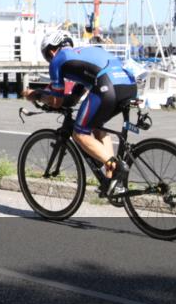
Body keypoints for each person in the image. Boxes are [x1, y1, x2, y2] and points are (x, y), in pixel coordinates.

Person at [22, 29, 138, 196]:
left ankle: (116, 167)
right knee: (97, 128)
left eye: (47, 56)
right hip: (129, 85)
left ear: (52, 50)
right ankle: (113, 180)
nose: (49, 60)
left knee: (79, 134)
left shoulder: (58, 59)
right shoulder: (84, 56)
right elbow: (74, 99)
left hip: (108, 85)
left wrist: (37, 95)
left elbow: (57, 101)